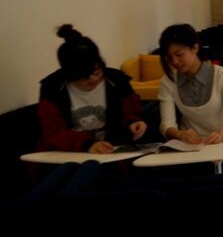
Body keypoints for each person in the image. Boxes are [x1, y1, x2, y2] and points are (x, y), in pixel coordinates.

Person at [37, 25, 147, 153]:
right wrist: (87, 144)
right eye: (84, 76)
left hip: (111, 151)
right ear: (69, 73)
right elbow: (54, 132)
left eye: (97, 71)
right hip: (70, 153)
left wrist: (133, 123)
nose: (93, 79)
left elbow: (130, 113)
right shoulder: (52, 88)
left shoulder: (117, 80)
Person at [158, 24, 223, 145]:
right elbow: (167, 125)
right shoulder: (168, 81)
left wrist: (221, 135)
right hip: (191, 145)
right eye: (169, 57)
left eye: (179, 54)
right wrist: (180, 134)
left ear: (195, 48)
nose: (175, 62)